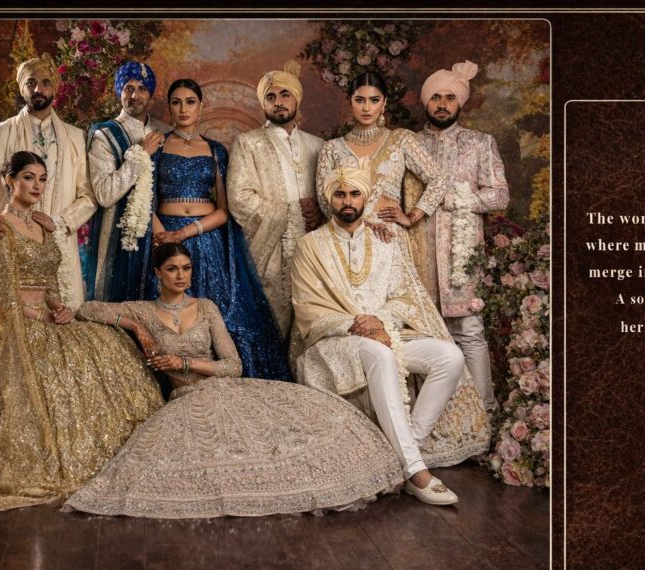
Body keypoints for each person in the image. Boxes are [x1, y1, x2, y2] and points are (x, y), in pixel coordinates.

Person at [63, 243, 404, 518]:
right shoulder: (144, 311)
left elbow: (233, 365)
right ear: (157, 273)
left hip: (224, 388)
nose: (181, 275)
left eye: (186, 268)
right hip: (185, 400)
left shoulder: (206, 307)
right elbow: (88, 309)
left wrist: (184, 361)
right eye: (172, 269)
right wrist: (136, 326)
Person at [0, 152, 164, 517]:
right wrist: (40, 314)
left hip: (48, 317)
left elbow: (50, 282)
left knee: (110, 344)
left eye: (41, 179)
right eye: (28, 178)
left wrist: (60, 307)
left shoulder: (43, 225)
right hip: (21, 326)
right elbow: (2, 295)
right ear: (9, 181)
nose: (36, 186)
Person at [292, 167, 490, 506]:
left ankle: (401, 450)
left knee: (450, 356)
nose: (348, 201)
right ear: (330, 199)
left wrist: (379, 321)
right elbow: (306, 307)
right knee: (380, 356)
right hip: (336, 339)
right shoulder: (310, 246)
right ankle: (416, 471)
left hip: (386, 331)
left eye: (355, 194)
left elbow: (402, 296)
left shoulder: (386, 241)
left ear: (365, 196)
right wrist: (355, 323)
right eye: (340, 194)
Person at [149, 78, 290, 380]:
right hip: (164, 240)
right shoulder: (156, 147)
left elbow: (225, 211)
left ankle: (216, 381)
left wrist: (185, 233)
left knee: (217, 314)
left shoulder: (215, 151)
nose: (183, 108)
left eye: (190, 101)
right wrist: (162, 236)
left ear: (201, 107)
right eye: (176, 102)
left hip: (204, 238)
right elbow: (143, 199)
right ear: (168, 108)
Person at [412, 60, 510, 411]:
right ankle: (442, 425)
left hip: (461, 259)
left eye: (449, 97)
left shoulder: (480, 143)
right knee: (425, 339)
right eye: (435, 97)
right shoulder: (409, 144)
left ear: (460, 103)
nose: (442, 104)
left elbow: (500, 195)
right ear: (426, 102)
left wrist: (455, 199)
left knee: (469, 334)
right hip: (417, 256)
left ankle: (484, 414)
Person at [0, 54, 96, 309]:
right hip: (11, 244)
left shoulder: (75, 137)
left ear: (55, 88)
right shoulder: (1, 132)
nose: (39, 89)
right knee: (11, 321)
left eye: (46, 82)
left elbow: (88, 196)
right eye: (31, 82)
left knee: (63, 324)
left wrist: (60, 222)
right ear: (21, 88)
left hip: (58, 247)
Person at [227, 60, 325, 341]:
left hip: (313, 249)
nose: (278, 102)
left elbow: (329, 194)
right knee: (272, 322)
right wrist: (292, 211)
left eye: (285, 95)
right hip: (269, 251)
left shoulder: (317, 145)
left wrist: (320, 210)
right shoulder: (248, 142)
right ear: (263, 104)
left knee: (312, 321)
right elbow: (239, 198)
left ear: (297, 99)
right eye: (270, 97)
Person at [315, 70, 448, 239]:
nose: (366, 108)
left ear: (384, 104)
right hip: (345, 236)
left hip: (387, 238)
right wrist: (360, 225)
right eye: (359, 100)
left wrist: (412, 217)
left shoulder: (400, 140)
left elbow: (439, 180)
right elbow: (324, 199)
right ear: (350, 103)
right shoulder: (331, 148)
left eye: (374, 100)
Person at [86, 61, 171, 301]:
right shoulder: (104, 134)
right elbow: (104, 194)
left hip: (160, 233)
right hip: (117, 234)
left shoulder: (165, 132)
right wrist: (141, 154)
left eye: (142, 88)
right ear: (119, 92)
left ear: (150, 94)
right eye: (128, 88)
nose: (135, 95)